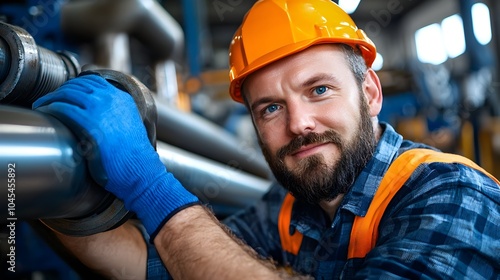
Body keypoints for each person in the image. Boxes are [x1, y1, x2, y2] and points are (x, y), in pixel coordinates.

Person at [32, 0, 500, 279]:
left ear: (371, 93)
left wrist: (150, 186)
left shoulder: (453, 195)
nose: (298, 123)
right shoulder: (288, 210)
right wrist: (41, 187)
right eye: (271, 108)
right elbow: (157, 266)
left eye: (319, 90)